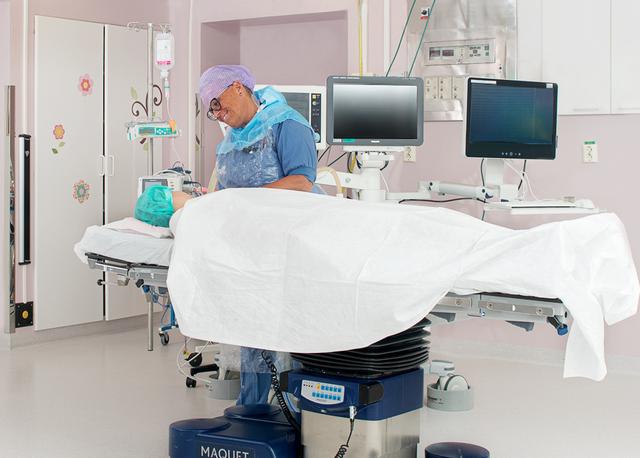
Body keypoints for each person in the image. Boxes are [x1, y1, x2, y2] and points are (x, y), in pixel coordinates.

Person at [199, 64, 320, 405]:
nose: (220, 114)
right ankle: (253, 406)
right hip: (249, 248)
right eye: (213, 111)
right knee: (253, 329)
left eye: (219, 103)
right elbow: (224, 193)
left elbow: (301, 182)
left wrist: (244, 200)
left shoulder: (288, 125)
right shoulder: (229, 144)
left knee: (292, 329)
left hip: (291, 243)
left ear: (238, 87)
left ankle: (299, 409)